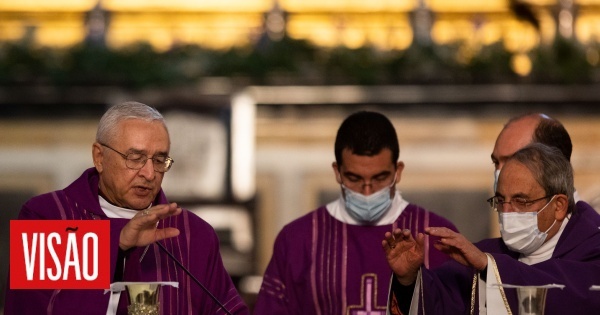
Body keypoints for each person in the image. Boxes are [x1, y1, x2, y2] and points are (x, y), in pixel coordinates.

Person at [4, 102, 249, 314]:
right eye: (135, 158)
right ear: (99, 157)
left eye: (159, 160)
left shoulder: (193, 233)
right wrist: (116, 242)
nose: (149, 173)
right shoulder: (47, 217)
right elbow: (30, 309)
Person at [254, 111, 458, 314]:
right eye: (354, 178)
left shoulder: (438, 238)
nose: (367, 190)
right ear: (337, 172)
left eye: (380, 178)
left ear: (398, 172)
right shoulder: (298, 240)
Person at [383, 143, 600, 314]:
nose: (507, 212)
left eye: (520, 201)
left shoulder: (592, 248)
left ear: (559, 206)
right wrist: (408, 280)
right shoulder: (488, 254)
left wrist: (491, 267)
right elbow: (439, 302)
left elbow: (578, 297)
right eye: (500, 201)